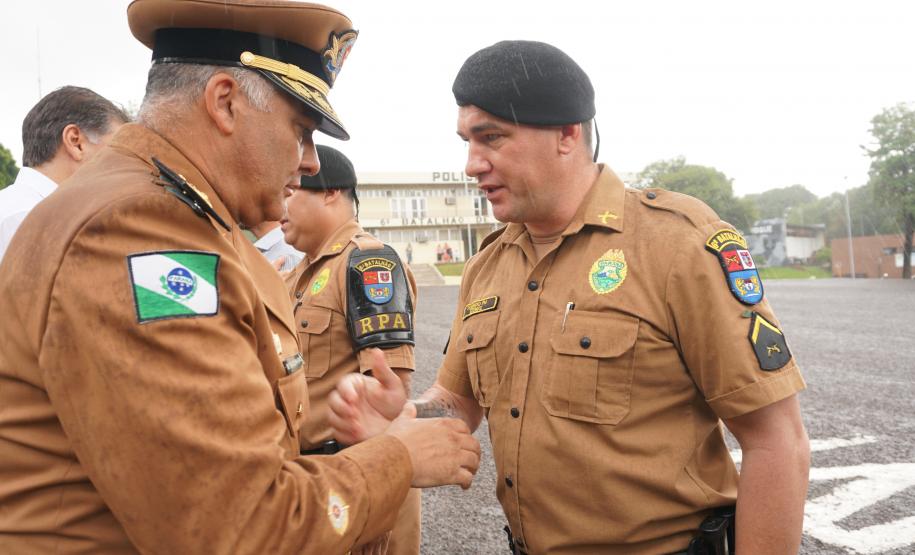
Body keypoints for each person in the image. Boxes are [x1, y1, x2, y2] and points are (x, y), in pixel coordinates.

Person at [0, 1, 479, 553]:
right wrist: (398, 459)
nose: (310, 162)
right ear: (224, 102)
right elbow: (237, 526)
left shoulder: (186, 218)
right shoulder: (137, 232)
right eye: (300, 130)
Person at [328, 40, 810, 554]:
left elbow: (777, 442)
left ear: (566, 133)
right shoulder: (487, 266)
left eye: (492, 137)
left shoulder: (677, 244)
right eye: (467, 141)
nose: (471, 164)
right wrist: (405, 419)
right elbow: (459, 401)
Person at [282, 144, 421, 555]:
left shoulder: (366, 262)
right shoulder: (298, 275)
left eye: (293, 192)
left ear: (331, 192)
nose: (281, 201)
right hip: (312, 478)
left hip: (359, 477)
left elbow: (388, 393)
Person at [0, 86, 128, 262]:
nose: (120, 166)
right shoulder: (30, 219)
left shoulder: (20, 210)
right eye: (115, 150)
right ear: (75, 142)